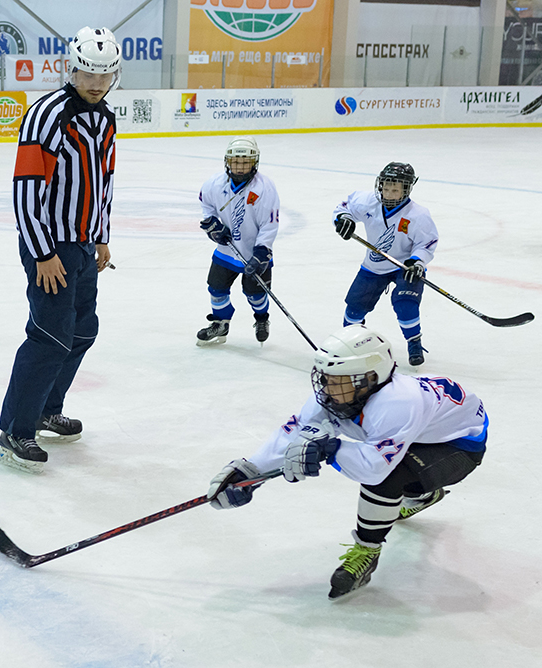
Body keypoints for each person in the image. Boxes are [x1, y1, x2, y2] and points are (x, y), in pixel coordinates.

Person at [206, 325, 487, 599]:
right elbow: (297, 432)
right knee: (397, 469)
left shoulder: (398, 403)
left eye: (338, 380)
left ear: (370, 378)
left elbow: (374, 469)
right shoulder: (342, 392)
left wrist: (330, 449)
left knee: (392, 476)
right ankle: (420, 495)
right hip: (421, 433)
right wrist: (250, 471)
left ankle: (368, 549)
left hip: (458, 446)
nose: (327, 388)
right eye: (325, 377)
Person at [0, 26, 120, 474]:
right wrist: (43, 253)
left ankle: (48, 409)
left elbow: (103, 180)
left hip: (85, 246)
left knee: (83, 332)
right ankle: (16, 429)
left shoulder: (104, 117)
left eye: (104, 76)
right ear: (72, 67)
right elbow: (27, 188)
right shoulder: (47, 114)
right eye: (88, 73)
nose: (95, 83)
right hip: (50, 246)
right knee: (49, 336)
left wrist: (101, 235)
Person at [332, 162, 438, 366]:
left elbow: (426, 243)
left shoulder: (418, 215)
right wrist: (343, 219)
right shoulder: (368, 202)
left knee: (405, 304)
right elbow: (345, 207)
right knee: (355, 307)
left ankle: (414, 342)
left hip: (405, 267)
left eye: (395, 189)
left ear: (406, 190)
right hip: (374, 266)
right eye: (386, 188)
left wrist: (417, 262)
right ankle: (349, 343)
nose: (388, 193)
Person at [196, 137, 280, 346]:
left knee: (255, 293)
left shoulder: (265, 188)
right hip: (226, 251)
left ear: (255, 162)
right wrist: (212, 225)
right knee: (215, 288)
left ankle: (262, 319)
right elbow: (207, 207)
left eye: (245, 162)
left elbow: (269, 225)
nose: (240, 167)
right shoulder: (214, 184)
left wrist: (261, 252)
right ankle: (220, 323)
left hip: (254, 251)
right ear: (227, 161)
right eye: (235, 161)